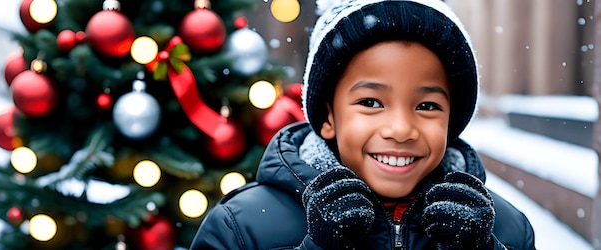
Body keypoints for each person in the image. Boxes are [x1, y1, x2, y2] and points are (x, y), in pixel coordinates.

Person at [190, 0, 536, 249]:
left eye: (427, 105)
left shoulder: (506, 230)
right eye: (371, 102)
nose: (400, 129)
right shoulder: (242, 226)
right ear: (328, 118)